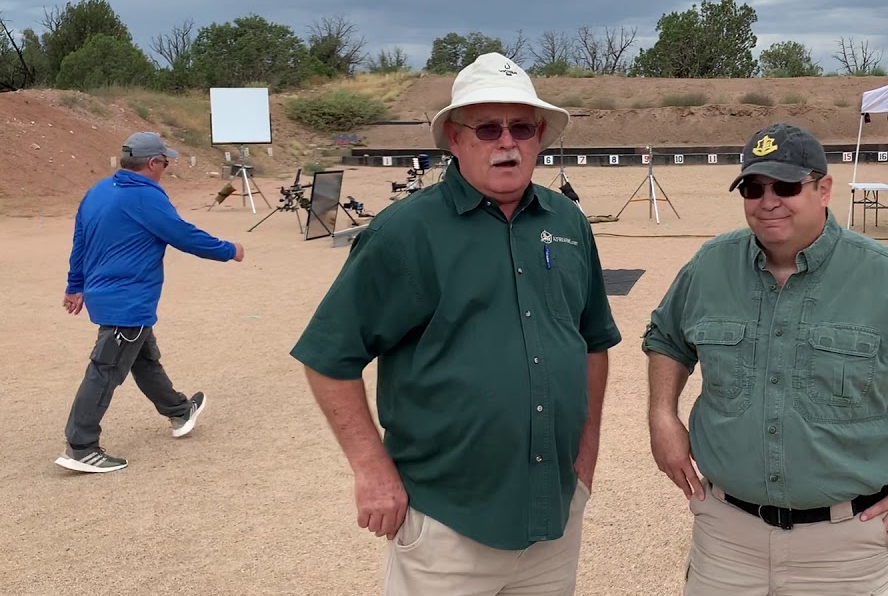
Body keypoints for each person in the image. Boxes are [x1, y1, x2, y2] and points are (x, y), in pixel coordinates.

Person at [290, 53, 621, 595]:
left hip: (553, 516)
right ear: (454, 138)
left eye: (523, 127)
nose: (508, 142)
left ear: (540, 136)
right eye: (488, 128)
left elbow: (591, 341)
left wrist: (586, 455)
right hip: (447, 524)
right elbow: (329, 357)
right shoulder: (405, 232)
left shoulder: (567, 222)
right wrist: (371, 470)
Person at [642, 123, 888, 595]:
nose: (768, 200)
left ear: (824, 189)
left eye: (787, 186)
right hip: (725, 542)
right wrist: (661, 415)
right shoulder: (710, 267)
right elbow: (667, 338)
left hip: (848, 552)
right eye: (753, 188)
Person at [57, 132, 244, 474]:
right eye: (166, 162)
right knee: (106, 370)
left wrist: (75, 286)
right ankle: (81, 446)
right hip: (126, 300)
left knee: (143, 358)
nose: (166, 169)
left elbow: (79, 241)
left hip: (114, 297)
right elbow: (183, 235)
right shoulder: (145, 197)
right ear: (153, 163)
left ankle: (178, 410)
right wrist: (228, 250)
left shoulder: (97, 191)